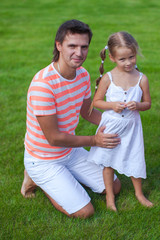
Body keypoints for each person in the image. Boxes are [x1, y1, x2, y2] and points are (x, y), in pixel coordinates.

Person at [21, 19, 121, 219]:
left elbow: (87, 112)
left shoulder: (82, 75)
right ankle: (34, 176)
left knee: (114, 187)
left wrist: (117, 124)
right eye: (72, 46)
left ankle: (64, 178)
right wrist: (94, 140)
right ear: (59, 46)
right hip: (43, 159)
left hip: (69, 151)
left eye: (84, 47)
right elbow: (54, 138)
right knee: (85, 212)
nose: (79, 52)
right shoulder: (43, 85)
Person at [87, 31, 153, 211]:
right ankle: (110, 197)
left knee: (135, 158)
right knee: (108, 162)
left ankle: (139, 194)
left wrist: (138, 105)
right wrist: (112, 105)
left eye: (131, 57)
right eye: (122, 59)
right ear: (112, 58)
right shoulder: (108, 78)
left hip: (132, 127)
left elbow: (147, 104)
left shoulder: (141, 79)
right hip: (111, 126)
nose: (129, 62)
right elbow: (96, 102)